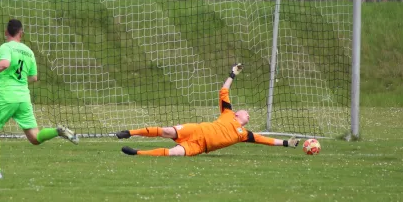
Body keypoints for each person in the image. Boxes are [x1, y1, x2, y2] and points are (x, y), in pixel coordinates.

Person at [116, 63, 300, 156]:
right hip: (197, 129)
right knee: (166, 131)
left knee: (174, 154)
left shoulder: (244, 134)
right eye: (246, 112)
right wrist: (232, 74)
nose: (248, 114)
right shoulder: (228, 113)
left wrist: (286, 143)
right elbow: (224, 90)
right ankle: (129, 133)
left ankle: (137, 153)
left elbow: (266, 140)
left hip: (199, 146)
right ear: (237, 114)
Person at [0, 19, 79, 179]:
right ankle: (58, 131)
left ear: (6, 32)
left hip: (7, 96)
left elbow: (4, 63)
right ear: (21, 33)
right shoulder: (29, 51)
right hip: (23, 97)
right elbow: (33, 77)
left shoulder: (6, 46)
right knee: (35, 138)